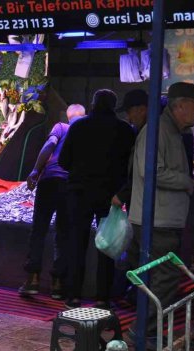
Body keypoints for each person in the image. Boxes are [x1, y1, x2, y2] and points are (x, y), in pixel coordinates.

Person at [127, 82, 194, 340]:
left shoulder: (171, 132)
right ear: (180, 105)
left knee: (158, 278)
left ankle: (145, 331)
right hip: (155, 221)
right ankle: (144, 333)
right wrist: (186, 182)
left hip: (161, 219)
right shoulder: (158, 131)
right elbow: (151, 171)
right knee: (166, 278)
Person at [58, 89, 136, 309]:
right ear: (114, 105)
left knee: (77, 243)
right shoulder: (125, 130)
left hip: (79, 193)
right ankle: (103, 297)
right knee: (107, 244)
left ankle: (73, 295)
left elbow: (64, 161)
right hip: (111, 196)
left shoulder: (79, 127)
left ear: (92, 104)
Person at [18, 103, 85, 299]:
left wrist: (35, 171)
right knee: (63, 233)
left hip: (50, 181)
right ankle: (57, 283)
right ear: (84, 115)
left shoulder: (61, 127)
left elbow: (49, 145)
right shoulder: (87, 133)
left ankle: (33, 279)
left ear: (68, 116)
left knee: (39, 229)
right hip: (71, 186)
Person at [112, 89, 148, 207]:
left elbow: (143, 171)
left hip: (141, 203)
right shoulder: (141, 131)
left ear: (142, 110)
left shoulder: (148, 134)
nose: (128, 118)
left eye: (129, 112)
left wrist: (123, 195)